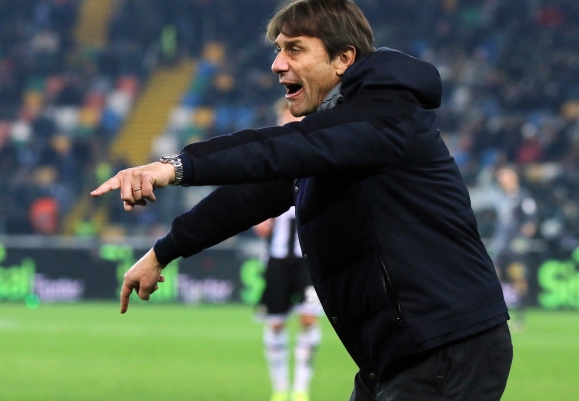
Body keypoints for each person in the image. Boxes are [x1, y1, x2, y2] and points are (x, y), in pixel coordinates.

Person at [91, 1, 513, 400]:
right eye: (278, 50)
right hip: (399, 353)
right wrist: (163, 252)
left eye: (295, 49)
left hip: (445, 346)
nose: (277, 65)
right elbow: (251, 195)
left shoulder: (385, 114)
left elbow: (276, 149)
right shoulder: (337, 130)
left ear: (343, 59)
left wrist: (173, 167)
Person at [252, 99, 322, 401]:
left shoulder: (318, 161)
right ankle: (279, 389)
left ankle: (301, 389)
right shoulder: (269, 167)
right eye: (284, 123)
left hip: (309, 258)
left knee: (308, 318)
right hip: (278, 258)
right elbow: (254, 213)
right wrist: (261, 219)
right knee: (276, 322)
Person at [489, 164, 538, 331]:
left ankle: (521, 317)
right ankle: (494, 316)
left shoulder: (523, 198)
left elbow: (531, 222)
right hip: (500, 245)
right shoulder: (500, 197)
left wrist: (522, 239)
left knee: (518, 279)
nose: (500, 179)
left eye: (504, 176)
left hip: (515, 246)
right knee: (491, 278)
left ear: (513, 178)